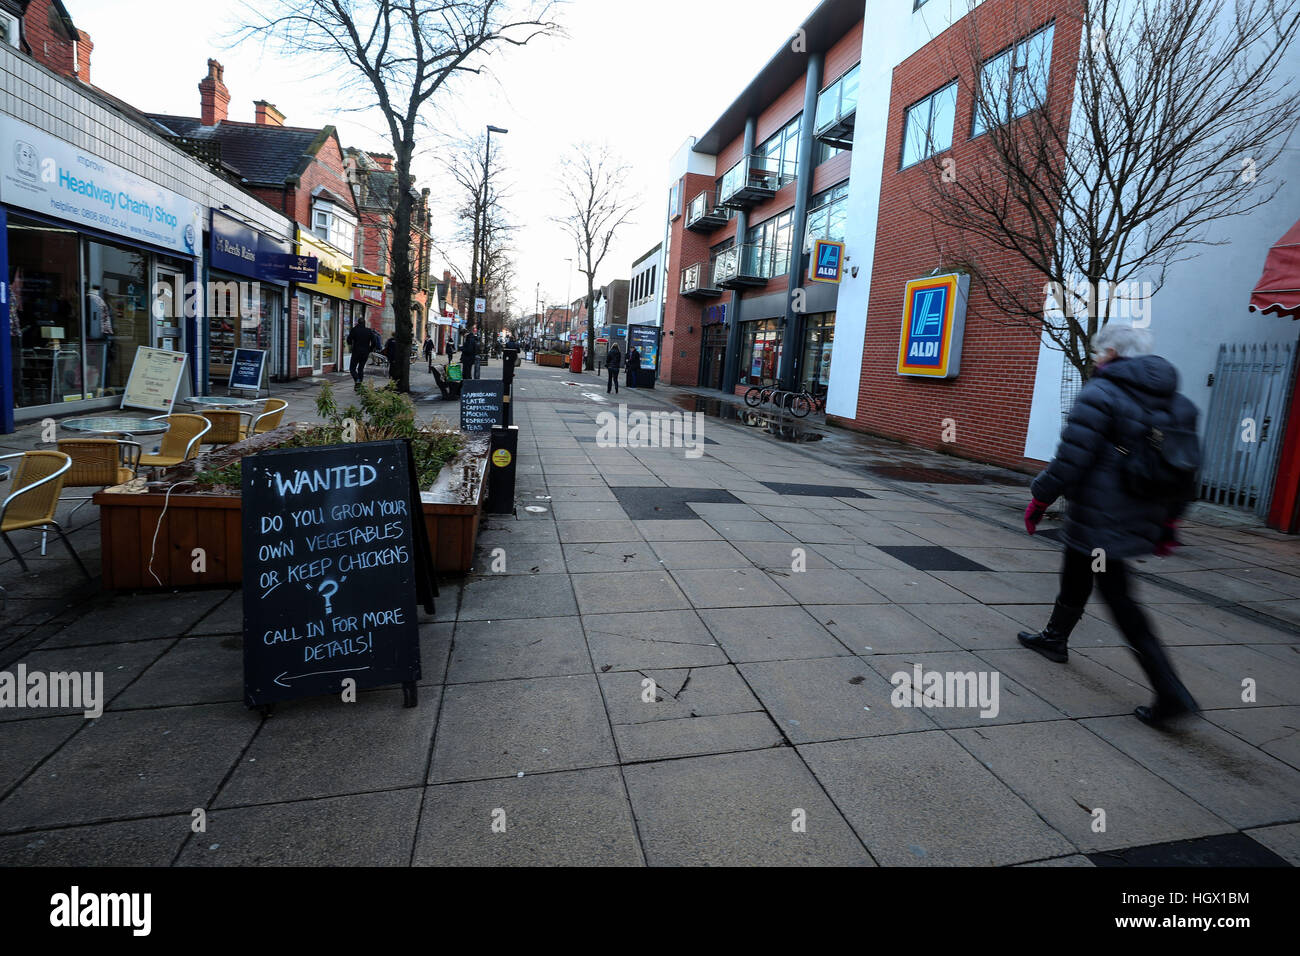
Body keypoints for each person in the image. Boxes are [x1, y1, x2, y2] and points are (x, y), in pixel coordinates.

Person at [1020, 324, 1200, 728]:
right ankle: (1054, 638)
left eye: (1100, 353)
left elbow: (1071, 459)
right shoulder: (1180, 403)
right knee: (1077, 566)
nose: (1097, 359)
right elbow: (1188, 470)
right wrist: (1170, 521)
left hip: (1104, 516)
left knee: (1119, 598)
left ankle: (1171, 693)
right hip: (1135, 513)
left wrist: (1040, 497)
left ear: (1113, 353)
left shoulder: (1100, 393)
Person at [346, 319, 373, 388]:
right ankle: (359, 385)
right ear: (364, 323)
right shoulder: (369, 331)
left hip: (356, 351)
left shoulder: (354, 330)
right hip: (365, 352)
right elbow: (374, 342)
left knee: (352, 369)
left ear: (358, 323)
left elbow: (349, 340)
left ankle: (357, 380)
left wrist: (351, 345)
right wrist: (370, 349)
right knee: (360, 369)